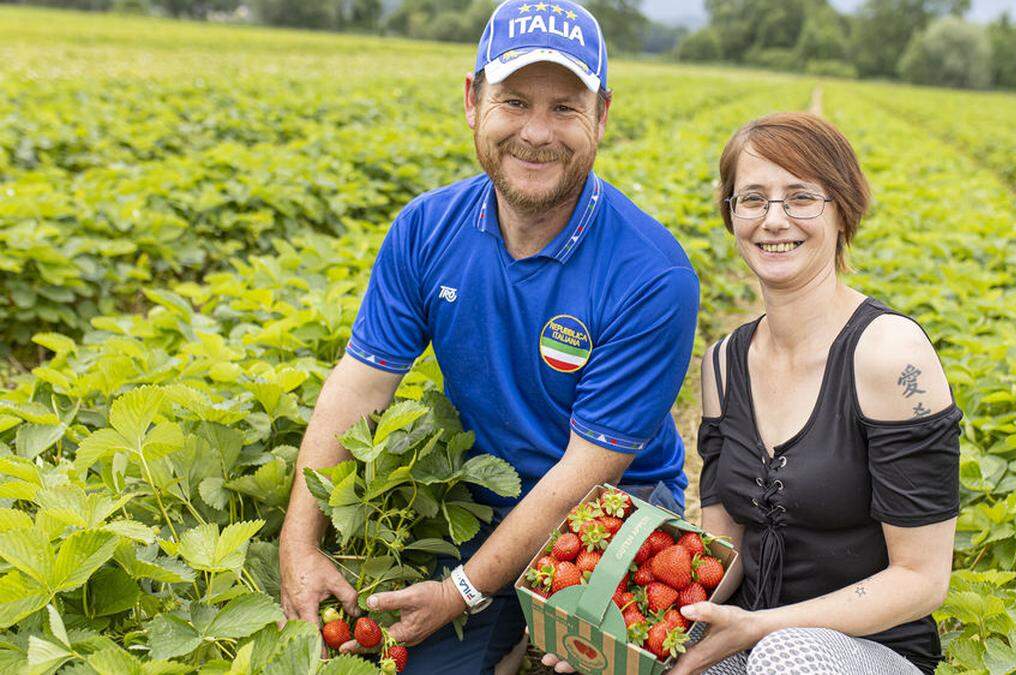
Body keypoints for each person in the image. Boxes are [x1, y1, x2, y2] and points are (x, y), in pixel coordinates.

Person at [277, 1, 700, 672]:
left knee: (600, 656)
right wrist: (298, 544)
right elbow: (358, 386)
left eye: (566, 107)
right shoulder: (425, 229)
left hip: (605, 518)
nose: (536, 132)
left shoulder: (652, 275)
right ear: (473, 101)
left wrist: (462, 590)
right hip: (474, 494)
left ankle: (524, 632)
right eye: (514, 101)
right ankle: (507, 636)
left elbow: (583, 474)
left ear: (603, 115)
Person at [543, 111, 960, 675]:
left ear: (843, 211)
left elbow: (922, 580)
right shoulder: (722, 364)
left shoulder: (889, 355)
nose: (774, 220)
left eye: (800, 198)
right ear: (731, 213)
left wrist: (764, 628)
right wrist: (622, 627)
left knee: (785, 657)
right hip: (747, 634)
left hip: (865, 651)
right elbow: (722, 554)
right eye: (753, 199)